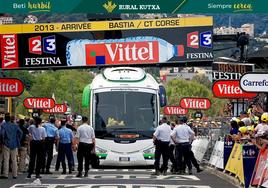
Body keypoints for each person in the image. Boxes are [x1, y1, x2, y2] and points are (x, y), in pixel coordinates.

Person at [0, 113, 22, 179]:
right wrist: (18, 139)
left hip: (6, 143)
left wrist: (3, 141)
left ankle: (5, 174)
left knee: (6, 159)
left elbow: (2, 134)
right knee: (14, 159)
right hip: (14, 144)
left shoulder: (4, 125)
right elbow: (20, 133)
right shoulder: (15, 126)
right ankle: (15, 174)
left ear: (5, 119)